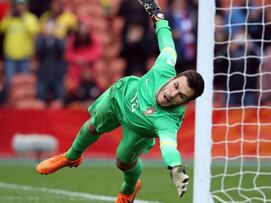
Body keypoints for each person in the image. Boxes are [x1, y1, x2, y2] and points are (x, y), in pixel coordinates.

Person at [35, 0, 204, 202]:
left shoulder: (168, 121)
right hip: (120, 97)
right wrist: (157, 14)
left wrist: (175, 166)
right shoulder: (166, 66)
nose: (172, 94)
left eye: (181, 96)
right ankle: (71, 156)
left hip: (138, 129)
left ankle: (128, 189)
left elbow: (169, 145)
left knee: (123, 163)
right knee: (92, 127)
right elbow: (167, 41)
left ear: (185, 103)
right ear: (173, 78)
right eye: (175, 86)